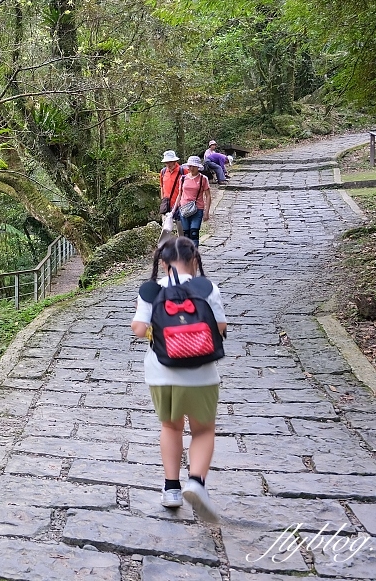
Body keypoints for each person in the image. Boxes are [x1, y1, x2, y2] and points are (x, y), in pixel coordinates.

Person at [130, 237, 227, 522]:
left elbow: (138, 328)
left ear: (162, 263)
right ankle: (196, 481)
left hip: (162, 373)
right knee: (203, 431)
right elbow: (220, 327)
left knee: (171, 428)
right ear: (194, 260)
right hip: (202, 374)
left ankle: (171, 489)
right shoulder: (206, 288)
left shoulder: (151, 290)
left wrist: (158, 332)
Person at [174, 156, 211, 246]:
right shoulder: (183, 178)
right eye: (190, 166)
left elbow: (208, 195)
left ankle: (194, 256)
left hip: (197, 209)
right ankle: (188, 256)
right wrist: (174, 209)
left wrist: (206, 212)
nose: (191, 168)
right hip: (184, 209)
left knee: (194, 233)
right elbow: (180, 194)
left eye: (194, 166)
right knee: (186, 234)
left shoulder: (203, 179)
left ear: (198, 167)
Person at [158, 150, 182, 215]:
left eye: (170, 162)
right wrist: (163, 199)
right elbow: (162, 187)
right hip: (166, 206)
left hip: (180, 206)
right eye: (166, 162)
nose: (168, 164)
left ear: (175, 161)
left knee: (180, 225)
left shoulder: (182, 171)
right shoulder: (163, 171)